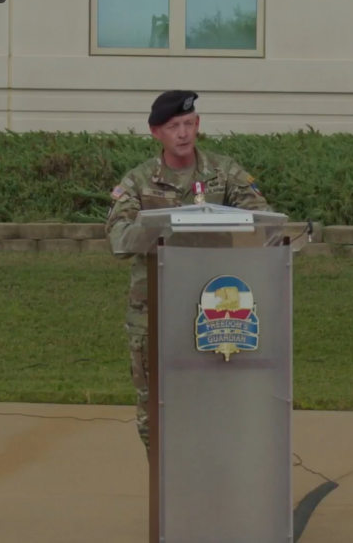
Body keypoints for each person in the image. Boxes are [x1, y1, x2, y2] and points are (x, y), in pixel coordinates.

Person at [105, 90, 271, 456]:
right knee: (156, 411)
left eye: (189, 123)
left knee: (217, 404)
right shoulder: (138, 181)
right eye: (173, 126)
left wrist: (218, 227)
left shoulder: (223, 173)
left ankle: (216, 489)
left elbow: (261, 222)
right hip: (154, 314)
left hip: (215, 310)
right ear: (155, 132)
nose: (183, 133)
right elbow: (118, 239)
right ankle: (165, 499)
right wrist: (167, 227)